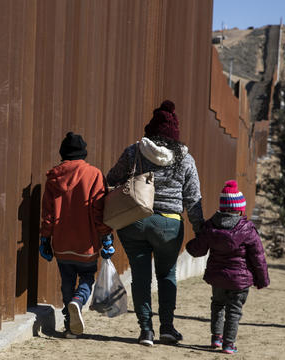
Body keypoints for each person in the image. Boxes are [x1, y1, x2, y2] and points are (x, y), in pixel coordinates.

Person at [106, 100, 204, 346]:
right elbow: (193, 200)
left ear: (151, 129)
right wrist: (200, 231)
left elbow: (111, 179)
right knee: (167, 274)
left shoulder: (134, 151)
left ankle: (146, 330)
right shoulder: (185, 159)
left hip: (135, 220)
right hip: (169, 226)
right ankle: (167, 328)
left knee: (141, 277)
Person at [39, 132, 114, 338]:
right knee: (87, 278)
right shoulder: (94, 175)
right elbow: (99, 210)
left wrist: (45, 238)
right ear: (83, 153)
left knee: (66, 282)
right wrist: (106, 236)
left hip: (62, 243)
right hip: (86, 242)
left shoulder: (53, 177)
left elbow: (48, 213)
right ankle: (78, 302)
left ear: (63, 153)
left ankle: (69, 325)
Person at [186, 180, 270, 355]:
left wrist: (189, 245)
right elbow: (258, 257)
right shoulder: (247, 229)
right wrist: (262, 280)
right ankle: (229, 344)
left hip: (218, 278)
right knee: (234, 310)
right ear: (240, 208)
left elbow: (197, 250)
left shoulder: (210, 226)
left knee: (217, 305)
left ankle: (216, 338)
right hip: (240, 280)